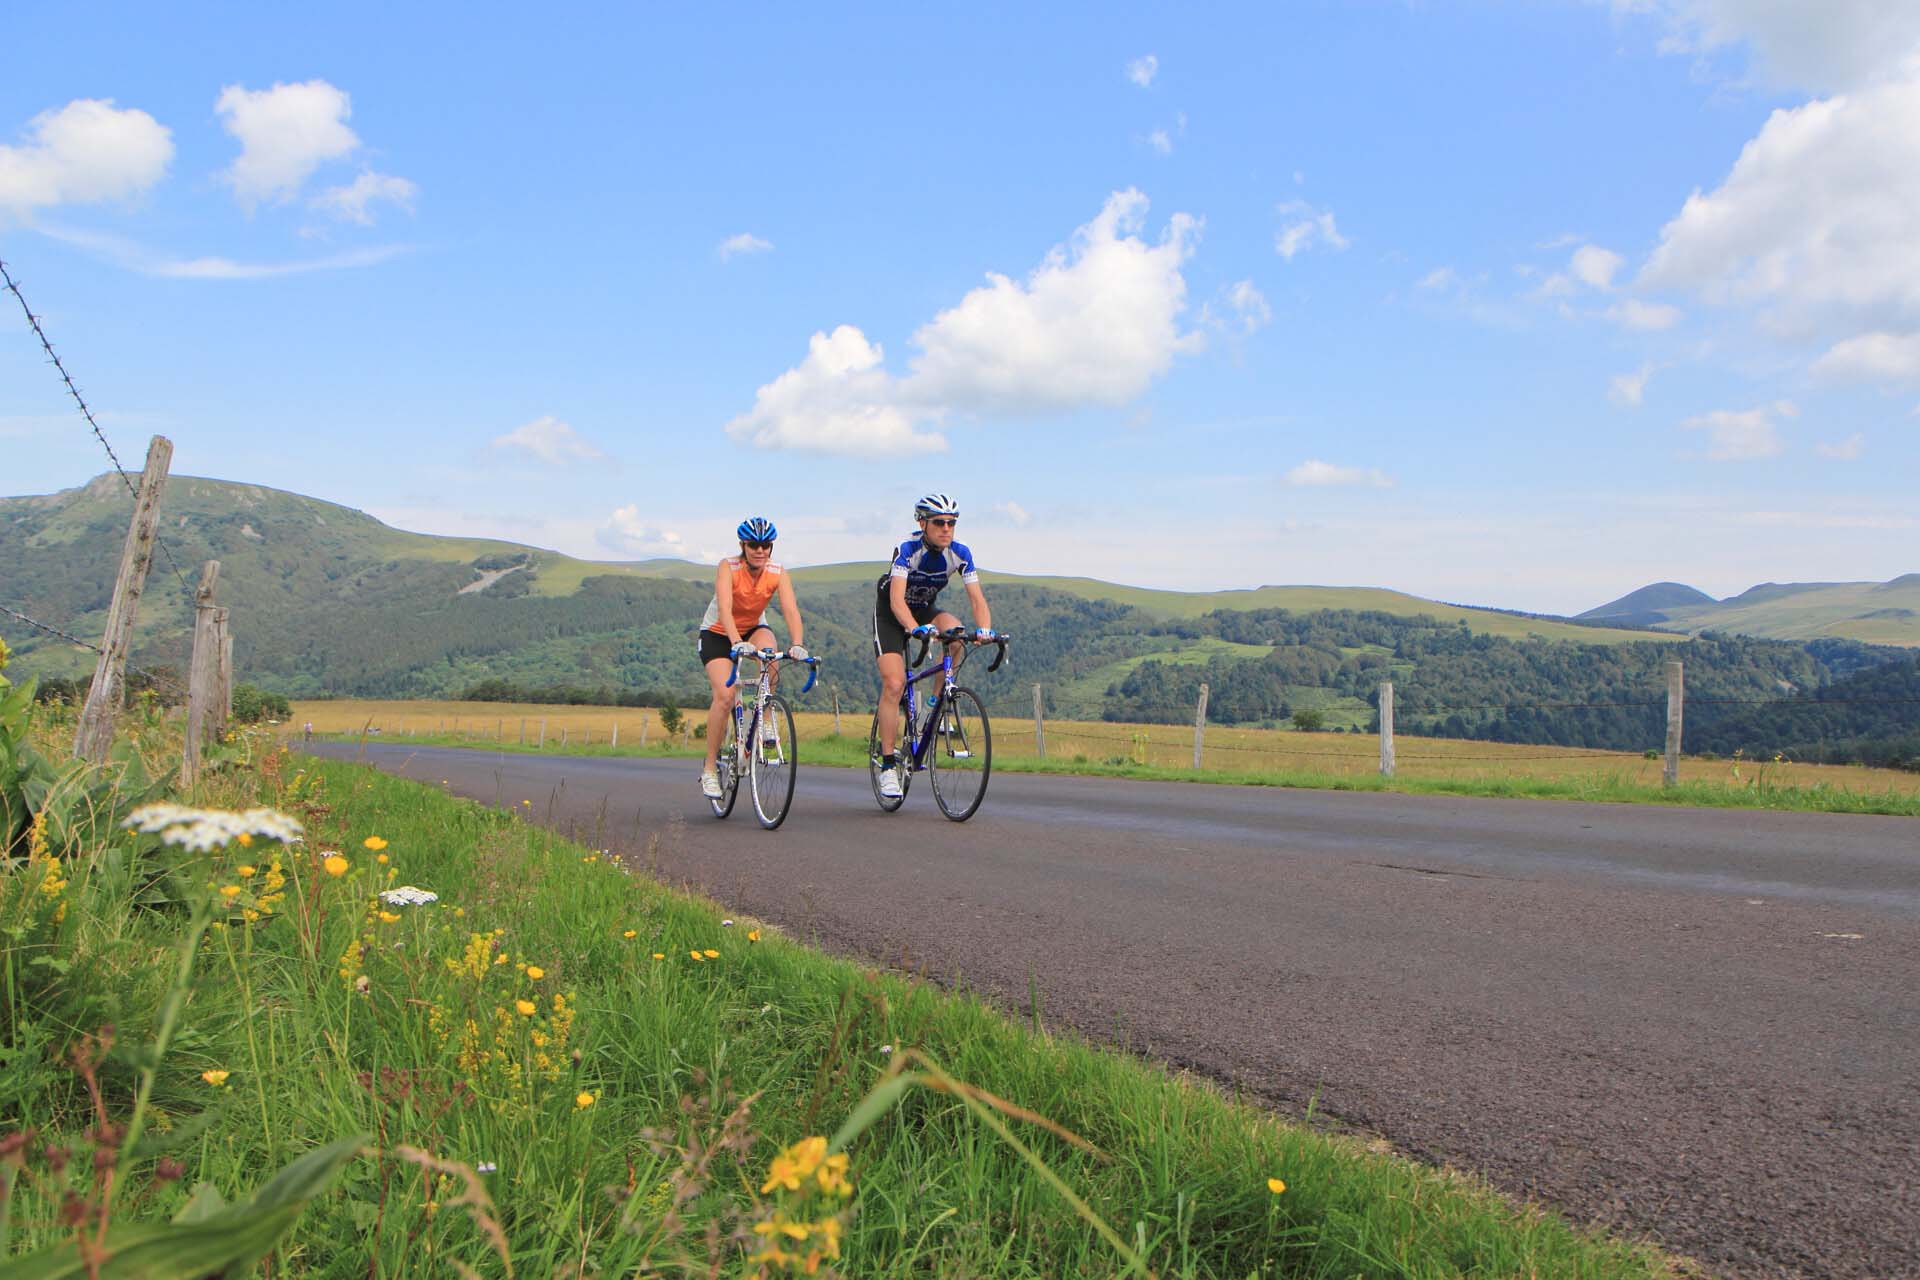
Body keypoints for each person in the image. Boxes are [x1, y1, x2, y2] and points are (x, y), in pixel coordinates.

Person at [872, 493, 993, 798]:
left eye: (952, 523)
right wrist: (913, 629)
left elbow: (976, 599)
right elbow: (897, 600)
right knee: (894, 683)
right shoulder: (908, 550)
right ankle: (888, 766)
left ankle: (931, 709)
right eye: (939, 522)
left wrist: (986, 630)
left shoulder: (960, 553)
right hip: (891, 614)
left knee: (956, 635)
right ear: (922, 523)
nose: (946, 529)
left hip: (925, 608)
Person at [698, 517, 806, 798]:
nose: (760, 550)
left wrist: (797, 644)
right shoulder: (728, 567)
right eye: (754, 545)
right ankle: (710, 768)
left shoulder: (777, 572)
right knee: (724, 695)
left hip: (753, 628)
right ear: (743, 546)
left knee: (770, 656)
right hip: (718, 633)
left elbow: (790, 609)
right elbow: (724, 607)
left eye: (766, 545)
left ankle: (766, 714)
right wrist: (736, 642)